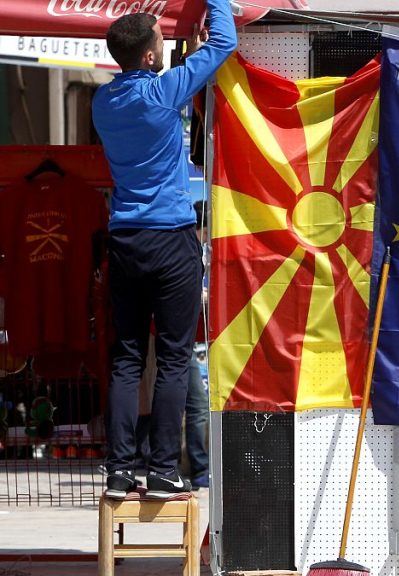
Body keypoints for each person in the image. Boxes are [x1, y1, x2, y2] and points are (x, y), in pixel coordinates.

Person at [93, 0, 236, 499]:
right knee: (175, 358)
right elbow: (225, 43)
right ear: (153, 57)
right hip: (171, 237)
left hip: (125, 238)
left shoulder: (102, 102)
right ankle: (161, 473)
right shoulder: (163, 92)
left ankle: (117, 471)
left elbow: (153, 73)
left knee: (127, 359)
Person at [184, 201, 211, 489]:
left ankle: (206, 465)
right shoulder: (189, 250)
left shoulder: (219, 252)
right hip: (190, 339)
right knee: (198, 406)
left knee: (205, 406)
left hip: (214, 337)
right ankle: (199, 466)